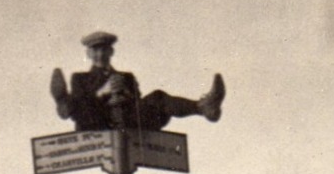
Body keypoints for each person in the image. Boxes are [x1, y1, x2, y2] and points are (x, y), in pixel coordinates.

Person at [50, 31, 226, 132]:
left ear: (111, 52)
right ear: (88, 54)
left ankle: (204, 107)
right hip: (98, 123)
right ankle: (62, 102)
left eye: (104, 50)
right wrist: (103, 92)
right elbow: (83, 106)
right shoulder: (80, 78)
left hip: (128, 122)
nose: (100, 54)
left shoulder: (126, 77)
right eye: (95, 50)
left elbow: (138, 103)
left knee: (158, 97)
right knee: (77, 105)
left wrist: (125, 93)